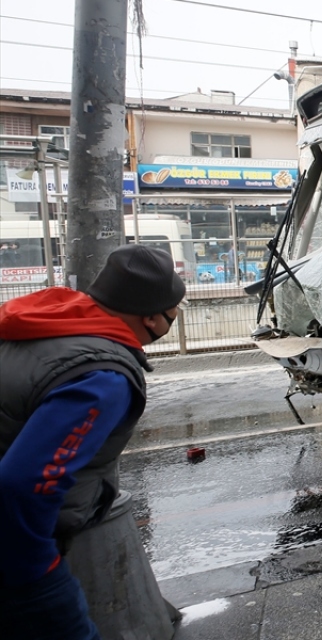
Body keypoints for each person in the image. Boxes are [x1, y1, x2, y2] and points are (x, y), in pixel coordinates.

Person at [0, 244, 186, 640]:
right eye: (172, 313)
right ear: (151, 318)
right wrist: (35, 567)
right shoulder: (102, 377)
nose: (173, 321)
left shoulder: (42, 322)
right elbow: (26, 482)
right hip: (16, 555)